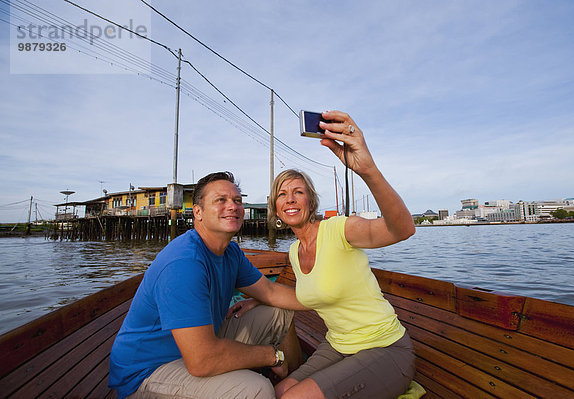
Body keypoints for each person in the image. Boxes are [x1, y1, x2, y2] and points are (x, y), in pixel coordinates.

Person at [108, 171, 307, 399]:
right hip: (148, 370)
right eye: (220, 200)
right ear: (198, 212)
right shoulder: (184, 263)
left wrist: (329, 299)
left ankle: (296, 385)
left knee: (279, 312)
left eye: (237, 200)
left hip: (201, 344)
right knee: (256, 390)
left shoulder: (230, 252)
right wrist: (271, 356)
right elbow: (202, 361)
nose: (232, 206)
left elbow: (270, 291)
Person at [269, 110, 417, 399]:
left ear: (310, 201)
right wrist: (252, 302)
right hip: (339, 345)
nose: (289, 199)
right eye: (282, 194)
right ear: (275, 208)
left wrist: (367, 169)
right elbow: (304, 296)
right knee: (278, 391)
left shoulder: (339, 229)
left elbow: (402, 229)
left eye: (298, 192)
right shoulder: (294, 250)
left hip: (385, 348)